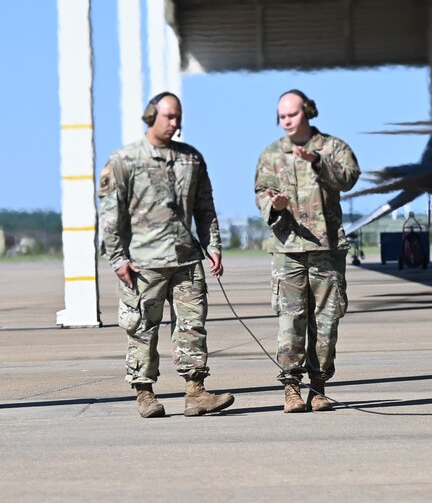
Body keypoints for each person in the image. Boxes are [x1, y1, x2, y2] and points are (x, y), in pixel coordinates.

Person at [97, 91, 234, 418]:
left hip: (186, 261)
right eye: (168, 117)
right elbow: (110, 215)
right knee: (142, 329)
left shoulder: (191, 159)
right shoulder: (125, 160)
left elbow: (205, 208)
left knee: (192, 328)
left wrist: (212, 246)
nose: (175, 123)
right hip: (144, 264)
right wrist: (118, 259)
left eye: (178, 117)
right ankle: (145, 394)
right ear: (150, 117)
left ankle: (196, 392)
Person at [254, 89, 361, 413]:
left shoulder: (333, 146)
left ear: (308, 112)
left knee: (326, 322)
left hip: (326, 247)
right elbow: (260, 191)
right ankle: (291, 388)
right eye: (282, 116)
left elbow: (349, 178)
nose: (286, 121)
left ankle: (318, 387)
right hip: (288, 248)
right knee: (291, 320)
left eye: (292, 114)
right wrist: (275, 206)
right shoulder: (271, 154)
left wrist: (318, 161)